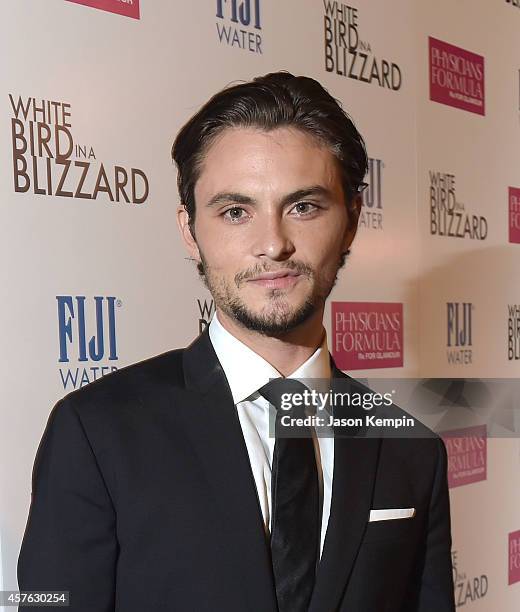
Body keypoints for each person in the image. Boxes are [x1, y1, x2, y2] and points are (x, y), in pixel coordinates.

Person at [17, 71, 455, 611]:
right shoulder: (96, 431)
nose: (272, 243)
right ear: (189, 229)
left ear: (352, 221)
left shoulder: (411, 450)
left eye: (304, 207)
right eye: (235, 212)